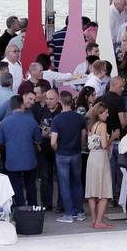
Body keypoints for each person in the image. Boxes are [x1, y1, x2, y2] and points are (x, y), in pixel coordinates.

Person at [49, 91, 86, 223]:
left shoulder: (57, 119)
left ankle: (69, 213)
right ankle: (80, 211)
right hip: (76, 153)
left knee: (64, 184)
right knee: (77, 182)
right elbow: (83, 137)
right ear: (72, 101)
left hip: (62, 154)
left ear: (60, 101)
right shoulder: (79, 118)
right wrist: (79, 147)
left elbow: (53, 141)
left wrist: (56, 149)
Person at [83, 103, 114, 230]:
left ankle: (94, 219)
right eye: (105, 112)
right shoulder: (102, 125)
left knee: (92, 190)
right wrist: (113, 137)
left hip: (92, 157)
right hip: (101, 157)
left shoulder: (91, 126)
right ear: (99, 113)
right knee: (104, 190)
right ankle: (99, 220)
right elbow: (104, 144)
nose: (107, 114)